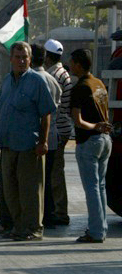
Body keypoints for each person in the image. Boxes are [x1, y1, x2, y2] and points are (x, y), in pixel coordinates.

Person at [0, 41, 55, 241]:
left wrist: (43, 142)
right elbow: (0, 112)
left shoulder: (37, 81)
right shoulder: (7, 81)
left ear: (30, 59)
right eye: (17, 57)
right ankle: (19, 227)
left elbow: (46, 114)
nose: (21, 61)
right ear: (11, 59)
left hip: (29, 146)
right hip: (8, 144)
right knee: (10, 190)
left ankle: (33, 228)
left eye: (25, 57)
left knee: (30, 191)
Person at [69, 48, 112, 243]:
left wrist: (94, 126)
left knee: (92, 188)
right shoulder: (99, 84)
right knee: (100, 186)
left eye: (72, 62)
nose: (70, 66)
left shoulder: (80, 87)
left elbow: (77, 121)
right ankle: (101, 228)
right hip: (105, 140)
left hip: (89, 141)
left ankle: (95, 231)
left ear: (78, 64)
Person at [31, 44, 62, 229]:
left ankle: (39, 216)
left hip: (39, 137)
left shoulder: (34, 80)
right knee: (48, 179)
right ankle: (49, 215)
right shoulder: (52, 79)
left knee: (36, 181)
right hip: (52, 137)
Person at [44, 39, 74, 226]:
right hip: (63, 128)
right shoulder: (62, 73)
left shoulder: (53, 75)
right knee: (56, 172)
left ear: (47, 56)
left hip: (57, 129)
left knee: (55, 174)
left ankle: (60, 212)